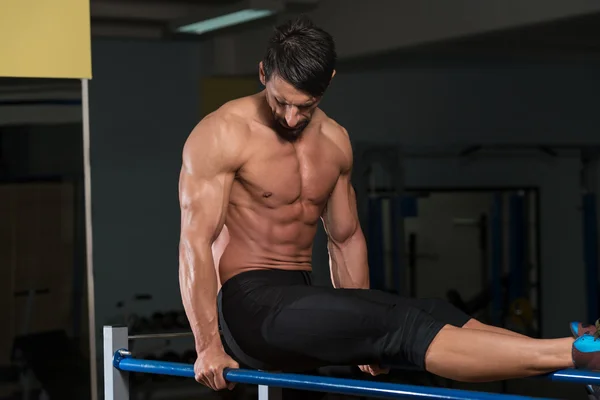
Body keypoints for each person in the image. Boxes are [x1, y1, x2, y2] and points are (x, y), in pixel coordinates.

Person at [178, 15, 600, 393]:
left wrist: (358, 324)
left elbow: (344, 238)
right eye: (280, 101)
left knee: (434, 310)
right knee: (402, 326)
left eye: (304, 105)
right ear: (263, 73)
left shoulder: (335, 141)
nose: (290, 117)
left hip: (300, 299)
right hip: (248, 310)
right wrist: (207, 346)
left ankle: (585, 353)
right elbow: (194, 242)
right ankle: (579, 353)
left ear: (327, 85)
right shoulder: (222, 133)